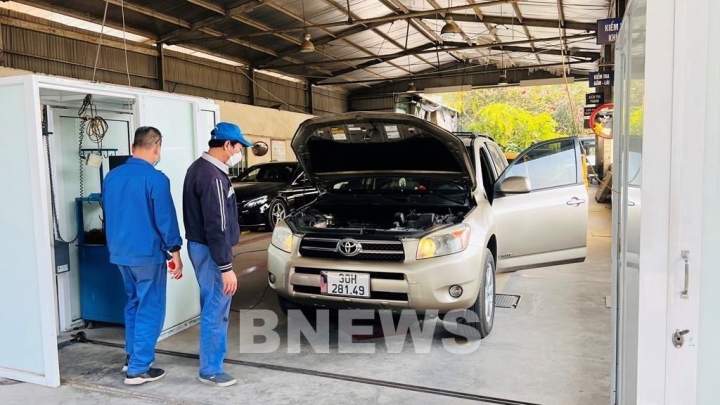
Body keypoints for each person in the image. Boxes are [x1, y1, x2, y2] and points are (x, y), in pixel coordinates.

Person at [103, 126, 183, 386]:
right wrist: (175, 251)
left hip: (120, 254)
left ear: (133, 145)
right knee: (150, 307)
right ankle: (138, 368)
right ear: (157, 146)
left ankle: (131, 356)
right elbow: (165, 219)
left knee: (134, 302)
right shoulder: (156, 179)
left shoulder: (112, 177)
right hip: (147, 255)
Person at [182, 122, 251, 387]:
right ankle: (210, 369)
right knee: (216, 306)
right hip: (212, 251)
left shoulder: (198, 168)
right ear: (226, 145)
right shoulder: (212, 176)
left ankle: (213, 355)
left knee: (212, 302)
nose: (239, 152)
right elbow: (218, 225)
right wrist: (225, 266)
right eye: (238, 147)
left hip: (201, 247)